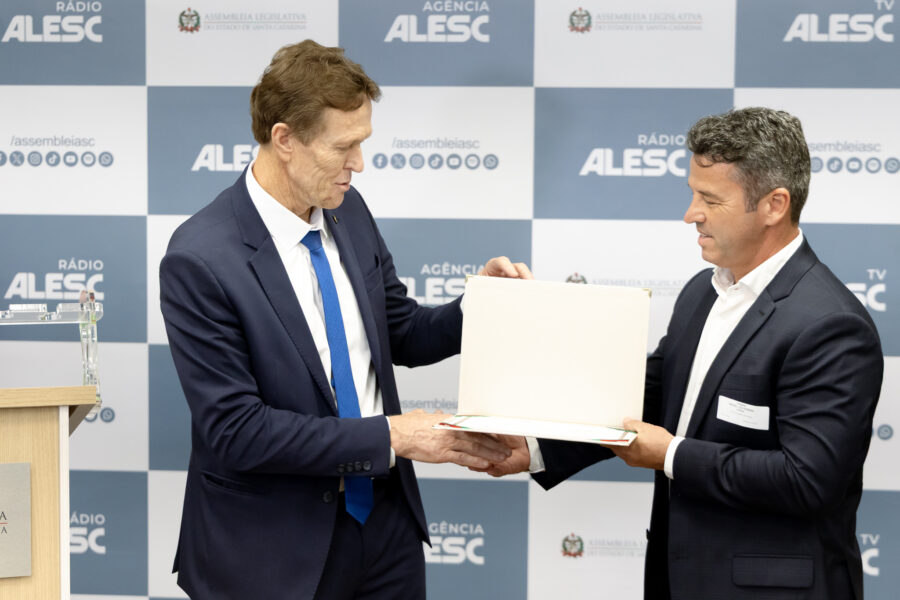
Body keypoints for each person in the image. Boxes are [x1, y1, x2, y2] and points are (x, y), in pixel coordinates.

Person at [159, 39, 530, 599]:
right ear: (285, 139)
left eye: (363, 143)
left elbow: (401, 330)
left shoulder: (346, 209)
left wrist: (478, 308)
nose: (359, 163)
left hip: (386, 529)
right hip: (273, 550)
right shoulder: (200, 258)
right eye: (344, 147)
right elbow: (237, 432)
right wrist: (393, 435)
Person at [486, 107, 883, 599]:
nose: (690, 213)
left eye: (710, 199)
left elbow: (807, 480)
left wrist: (670, 454)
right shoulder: (701, 291)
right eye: (693, 194)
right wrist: (536, 448)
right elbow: (645, 400)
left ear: (774, 205)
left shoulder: (831, 325)